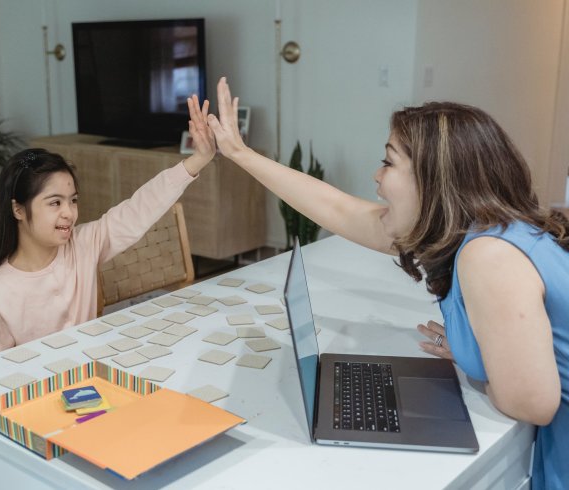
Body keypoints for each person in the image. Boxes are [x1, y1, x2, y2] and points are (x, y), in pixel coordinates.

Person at [207, 77, 568, 488]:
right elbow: (339, 210)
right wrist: (239, 153)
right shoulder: (483, 231)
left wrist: (484, 362)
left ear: (435, 180)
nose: (376, 176)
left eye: (389, 162)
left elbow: (532, 404)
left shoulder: (490, 256)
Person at [0, 95, 215, 359]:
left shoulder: (83, 244)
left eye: (73, 200)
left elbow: (139, 209)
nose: (69, 213)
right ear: (18, 209)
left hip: (93, 374)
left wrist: (198, 159)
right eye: (55, 203)